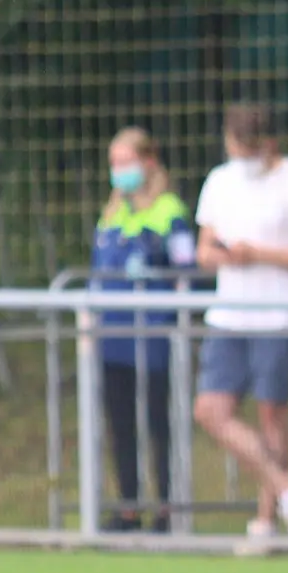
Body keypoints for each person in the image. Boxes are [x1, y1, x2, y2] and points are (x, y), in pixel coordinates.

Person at [192, 103, 288, 546]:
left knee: (272, 410)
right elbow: (204, 251)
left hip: (280, 313)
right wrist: (228, 256)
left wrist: (262, 255)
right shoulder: (220, 180)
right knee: (211, 410)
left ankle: (270, 520)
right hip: (229, 314)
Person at [90, 126, 196, 533]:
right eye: (114, 163)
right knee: (121, 423)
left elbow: (187, 270)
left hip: (154, 336)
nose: (119, 171)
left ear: (148, 162)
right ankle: (128, 505)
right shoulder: (112, 212)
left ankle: (168, 507)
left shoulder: (169, 210)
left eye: (125, 162)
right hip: (113, 336)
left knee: (158, 421)